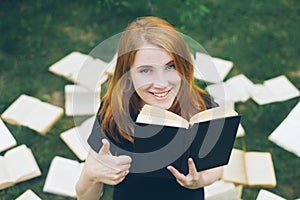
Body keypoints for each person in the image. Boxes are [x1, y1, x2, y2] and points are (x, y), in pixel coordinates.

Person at [76, 16, 223, 200]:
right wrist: (91, 175)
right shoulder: (115, 112)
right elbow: (85, 197)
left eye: (170, 66)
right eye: (146, 70)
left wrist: (198, 180)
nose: (161, 83)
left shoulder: (202, 107)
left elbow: (216, 168)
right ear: (128, 75)